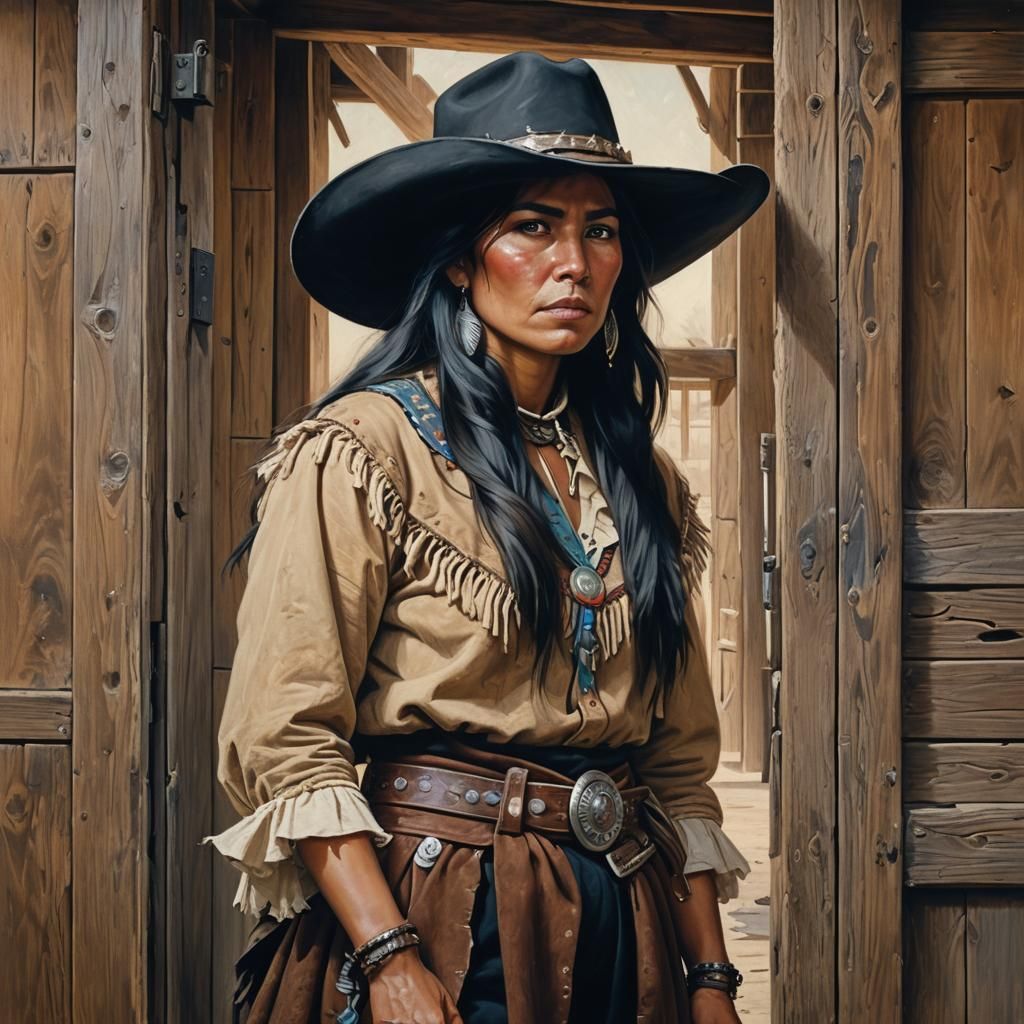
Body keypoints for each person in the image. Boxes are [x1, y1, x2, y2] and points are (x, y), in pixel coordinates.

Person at [203, 50, 769, 1024]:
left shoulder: (644, 483)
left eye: (599, 231)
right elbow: (287, 737)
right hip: (439, 905)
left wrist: (710, 982)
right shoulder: (364, 451)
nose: (574, 263)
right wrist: (389, 959)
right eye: (532, 226)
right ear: (462, 258)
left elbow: (676, 764)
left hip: (623, 914)